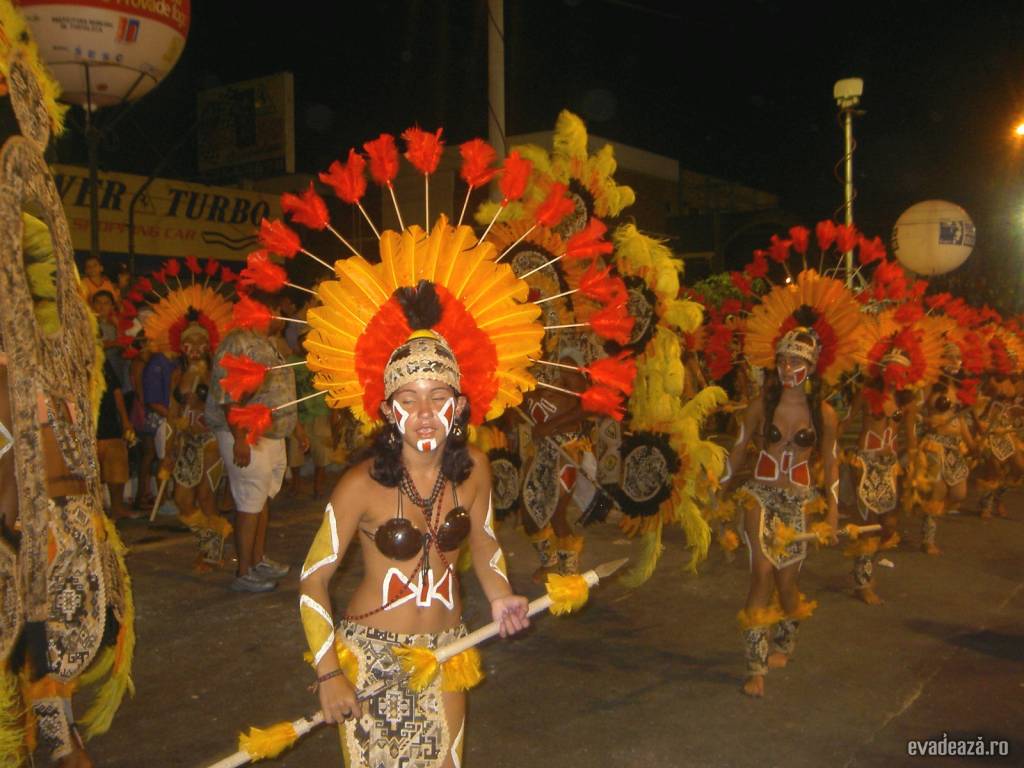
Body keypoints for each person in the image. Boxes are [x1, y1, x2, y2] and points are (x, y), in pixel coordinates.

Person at [299, 284, 529, 767]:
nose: (425, 413)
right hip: (373, 659)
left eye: (438, 396)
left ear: (459, 405)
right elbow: (313, 579)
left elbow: (485, 542)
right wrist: (328, 673)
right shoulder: (360, 484)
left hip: (448, 652)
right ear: (387, 410)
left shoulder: (476, 468)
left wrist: (500, 594)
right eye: (408, 398)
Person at [725, 324, 840, 698]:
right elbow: (739, 448)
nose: (788, 367)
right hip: (759, 496)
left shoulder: (824, 414)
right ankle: (755, 667)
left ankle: (786, 637)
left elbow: (832, 462)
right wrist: (719, 488)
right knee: (761, 573)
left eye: (796, 361)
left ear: (812, 366)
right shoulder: (762, 406)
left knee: (787, 586)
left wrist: (833, 514)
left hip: (799, 502)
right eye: (783, 359)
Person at [206, 290, 301, 592]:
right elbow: (228, 394)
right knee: (249, 501)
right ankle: (244, 571)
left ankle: (257, 560)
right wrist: (240, 439)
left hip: (270, 435)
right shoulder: (238, 341)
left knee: (261, 499)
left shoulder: (267, 342)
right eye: (277, 311)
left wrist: (296, 430)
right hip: (246, 434)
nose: (281, 317)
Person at [95, 358, 134, 520]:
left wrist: (125, 420)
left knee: (117, 473)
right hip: (88, 426)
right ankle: (98, 513)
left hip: (110, 424)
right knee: (93, 475)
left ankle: (117, 508)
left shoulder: (101, 360)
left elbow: (117, 391)